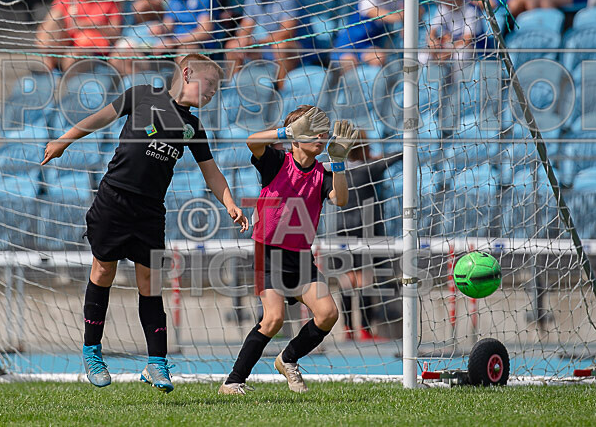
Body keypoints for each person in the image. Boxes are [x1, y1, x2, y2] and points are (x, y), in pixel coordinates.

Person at [41, 53, 249, 391]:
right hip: (114, 200)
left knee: (150, 284)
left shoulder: (192, 127)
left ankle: (156, 363)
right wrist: (64, 140)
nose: (212, 94)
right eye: (209, 86)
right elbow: (99, 118)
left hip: (150, 211)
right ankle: (92, 350)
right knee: (103, 271)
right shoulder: (141, 95)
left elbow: (211, 172)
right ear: (187, 73)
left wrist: (229, 204)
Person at [218, 107, 357, 395]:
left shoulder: (322, 173)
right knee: (273, 319)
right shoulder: (276, 161)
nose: (322, 135)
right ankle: (232, 381)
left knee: (328, 313)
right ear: (295, 135)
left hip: (301, 258)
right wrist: (284, 133)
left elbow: (341, 199)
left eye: (324, 129)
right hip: (268, 254)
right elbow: (252, 141)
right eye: (314, 128)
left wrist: (339, 162)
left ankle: (288, 359)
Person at [335, 133, 402, 341]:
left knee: (347, 279)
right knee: (364, 279)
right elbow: (399, 154)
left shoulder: (340, 170)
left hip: (343, 228)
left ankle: (347, 328)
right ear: (363, 149)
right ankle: (364, 328)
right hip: (366, 228)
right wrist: (376, 157)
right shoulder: (371, 167)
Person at [225, 0, 309, 89]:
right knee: (233, 45)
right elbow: (245, 27)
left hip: (300, 47)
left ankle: (280, 90)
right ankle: (231, 89)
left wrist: (257, 43)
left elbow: (287, 32)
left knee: (281, 47)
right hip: (268, 44)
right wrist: (243, 40)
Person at [35, 0, 122, 72]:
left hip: (91, 49)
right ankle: (48, 65)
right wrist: (69, 25)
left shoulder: (110, 1)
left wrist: (87, 25)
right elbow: (49, 26)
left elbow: (115, 33)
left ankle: (53, 73)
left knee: (72, 56)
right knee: (55, 17)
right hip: (63, 44)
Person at [332, 0, 404, 68]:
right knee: (349, 62)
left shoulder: (393, 0)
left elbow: (419, 10)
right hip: (350, 43)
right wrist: (404, 15)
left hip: (368, 46)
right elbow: (382, 16)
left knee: (378, 58)